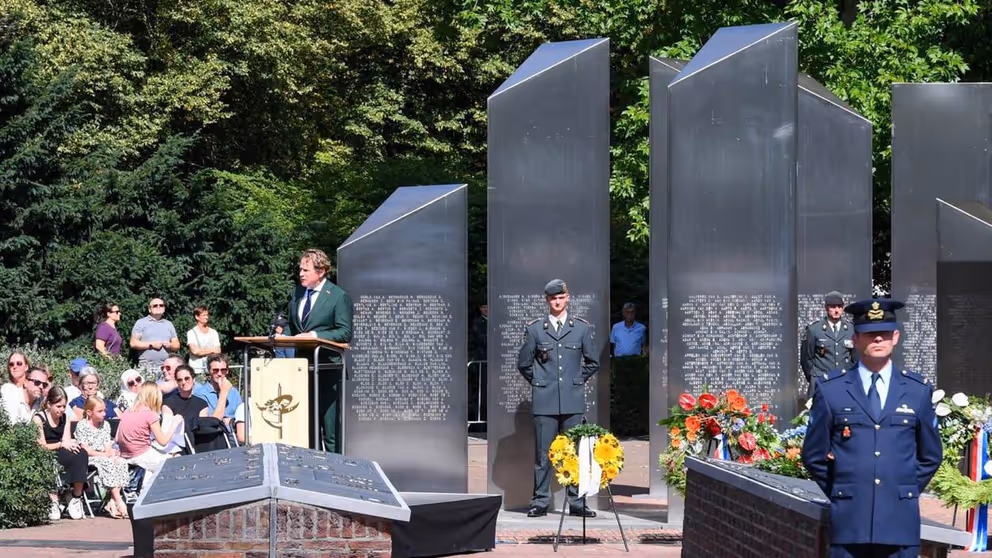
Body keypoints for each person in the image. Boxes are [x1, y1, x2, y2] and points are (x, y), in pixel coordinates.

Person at [801, 299, 942, 558]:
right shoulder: (832, 390)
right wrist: (844, 490)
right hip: (850, 524)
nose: (878, 339)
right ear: (855, 338)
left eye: (885, 333)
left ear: (896, 337)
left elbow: (930, 455)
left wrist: (902, 489)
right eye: (869, 334)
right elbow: (813, 454)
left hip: (899, 524)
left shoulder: (917, 391)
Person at [518, 279, 600, 518]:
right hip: (545, 401)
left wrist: (576, 379)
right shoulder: (535, 329)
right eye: (553, 298)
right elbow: (524, 363)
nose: (557, 301)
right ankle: (540, 501)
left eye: (561, 297)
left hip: (572, 401)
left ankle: (576, 502)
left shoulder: (581, 328)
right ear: (547, 300)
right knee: (543, 454)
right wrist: (540, 381)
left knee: (573, 452)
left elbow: (593, 361)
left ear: (568, 298)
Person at [287, 248, 353, 453]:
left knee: (330, 430)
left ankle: (337, 474)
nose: (301, 274)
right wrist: (283, 335)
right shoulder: (297, 292)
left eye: (306, 270)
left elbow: (344, 332)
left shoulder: (337, 296)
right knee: (306, 427)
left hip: (327, 369)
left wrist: (315, 336)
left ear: (321, 271)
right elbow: (294, 325)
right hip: (302, 369)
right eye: (300, 269)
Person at [33, 387, 88, 520]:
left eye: (64, 406)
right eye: (58, 406)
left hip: (60, 449)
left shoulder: (65, 418)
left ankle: (76, 497)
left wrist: (73, 446)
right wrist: (61, 445)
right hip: (45, 452)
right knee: (49, 460)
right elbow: (41, 445)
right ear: (49, 404)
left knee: (81, 453)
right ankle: (54, 500)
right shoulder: (39, 419)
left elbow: (67, 441)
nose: (62, 409)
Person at [74, 397, 130, 519]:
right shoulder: (82, 425)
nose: (104, 414)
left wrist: (112, 454)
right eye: (100, 411)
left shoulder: (105, 425)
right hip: (89, 457)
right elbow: (86, 450)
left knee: (121, 462)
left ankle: (111, 501)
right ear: (89, 412)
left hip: (103, 455)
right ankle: (119, 501)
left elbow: (107, 446)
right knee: (107, 462)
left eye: (104, 410)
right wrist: (106, 455)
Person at [116, 383, 181, 476]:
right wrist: (175, 424)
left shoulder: (127, 411)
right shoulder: (149, 414)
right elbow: (163, 441)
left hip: (125, 455)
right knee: (177, 463)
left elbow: (117, 439)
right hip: (142, 456)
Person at [801, 291, 858, 399]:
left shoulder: (851, 329)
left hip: (845, 382)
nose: (837, 310)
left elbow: (855, 358)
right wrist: (814, 377)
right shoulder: (814, 330)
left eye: (839, 306)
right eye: (833, 307)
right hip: (821, 382)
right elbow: (806, 359)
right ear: (826, 308)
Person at [129, 297, 180, 373]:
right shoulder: (141, 323)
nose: (159, 307)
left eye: (161, 305)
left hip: (166, 369)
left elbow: (177, 346)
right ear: (150, 309)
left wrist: (170, 345)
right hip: (146, 368)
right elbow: (133, 343)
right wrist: (151, 345)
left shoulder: (169, 324)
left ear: (164, 308)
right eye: (155, 305)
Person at [186, 306, 221, 374]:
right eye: (204, 315)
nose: (206, 317)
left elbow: (218, 350)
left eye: (207, 315)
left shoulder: (213, 332)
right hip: (196, 370)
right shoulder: (191, 333)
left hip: (211, 369)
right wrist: (212, 350)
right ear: (197, 317)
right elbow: (195, 351)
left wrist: (201, 351)